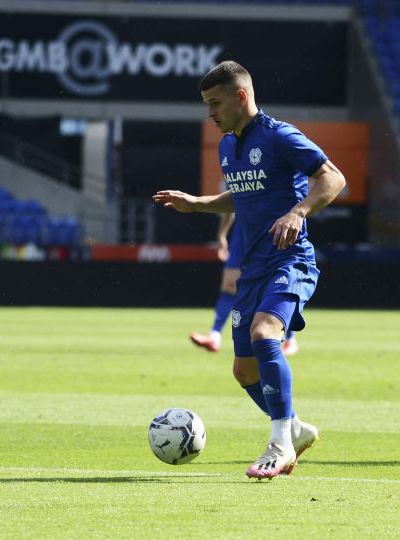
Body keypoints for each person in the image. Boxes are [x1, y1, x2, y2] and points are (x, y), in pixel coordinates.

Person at [154, 60, 345, 479]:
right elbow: (242, 195)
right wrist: (199, 203)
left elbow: (332, 178)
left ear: (241, 96)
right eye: (206, 106)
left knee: (264, 334)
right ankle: (293, 427)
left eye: (215, 103)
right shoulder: (228, 145)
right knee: (243, 370)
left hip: (290, 260)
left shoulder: (279, 136)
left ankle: (279, 444)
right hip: (252, 269)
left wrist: (299, 211)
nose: (211, 114)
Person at [190, 213, 299, 356]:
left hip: (271, 226)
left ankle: (290, 339)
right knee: (229, 285)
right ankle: (214, 335)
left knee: (276, 285)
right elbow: (231, 201)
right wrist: (222, 234)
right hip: (243, 229)